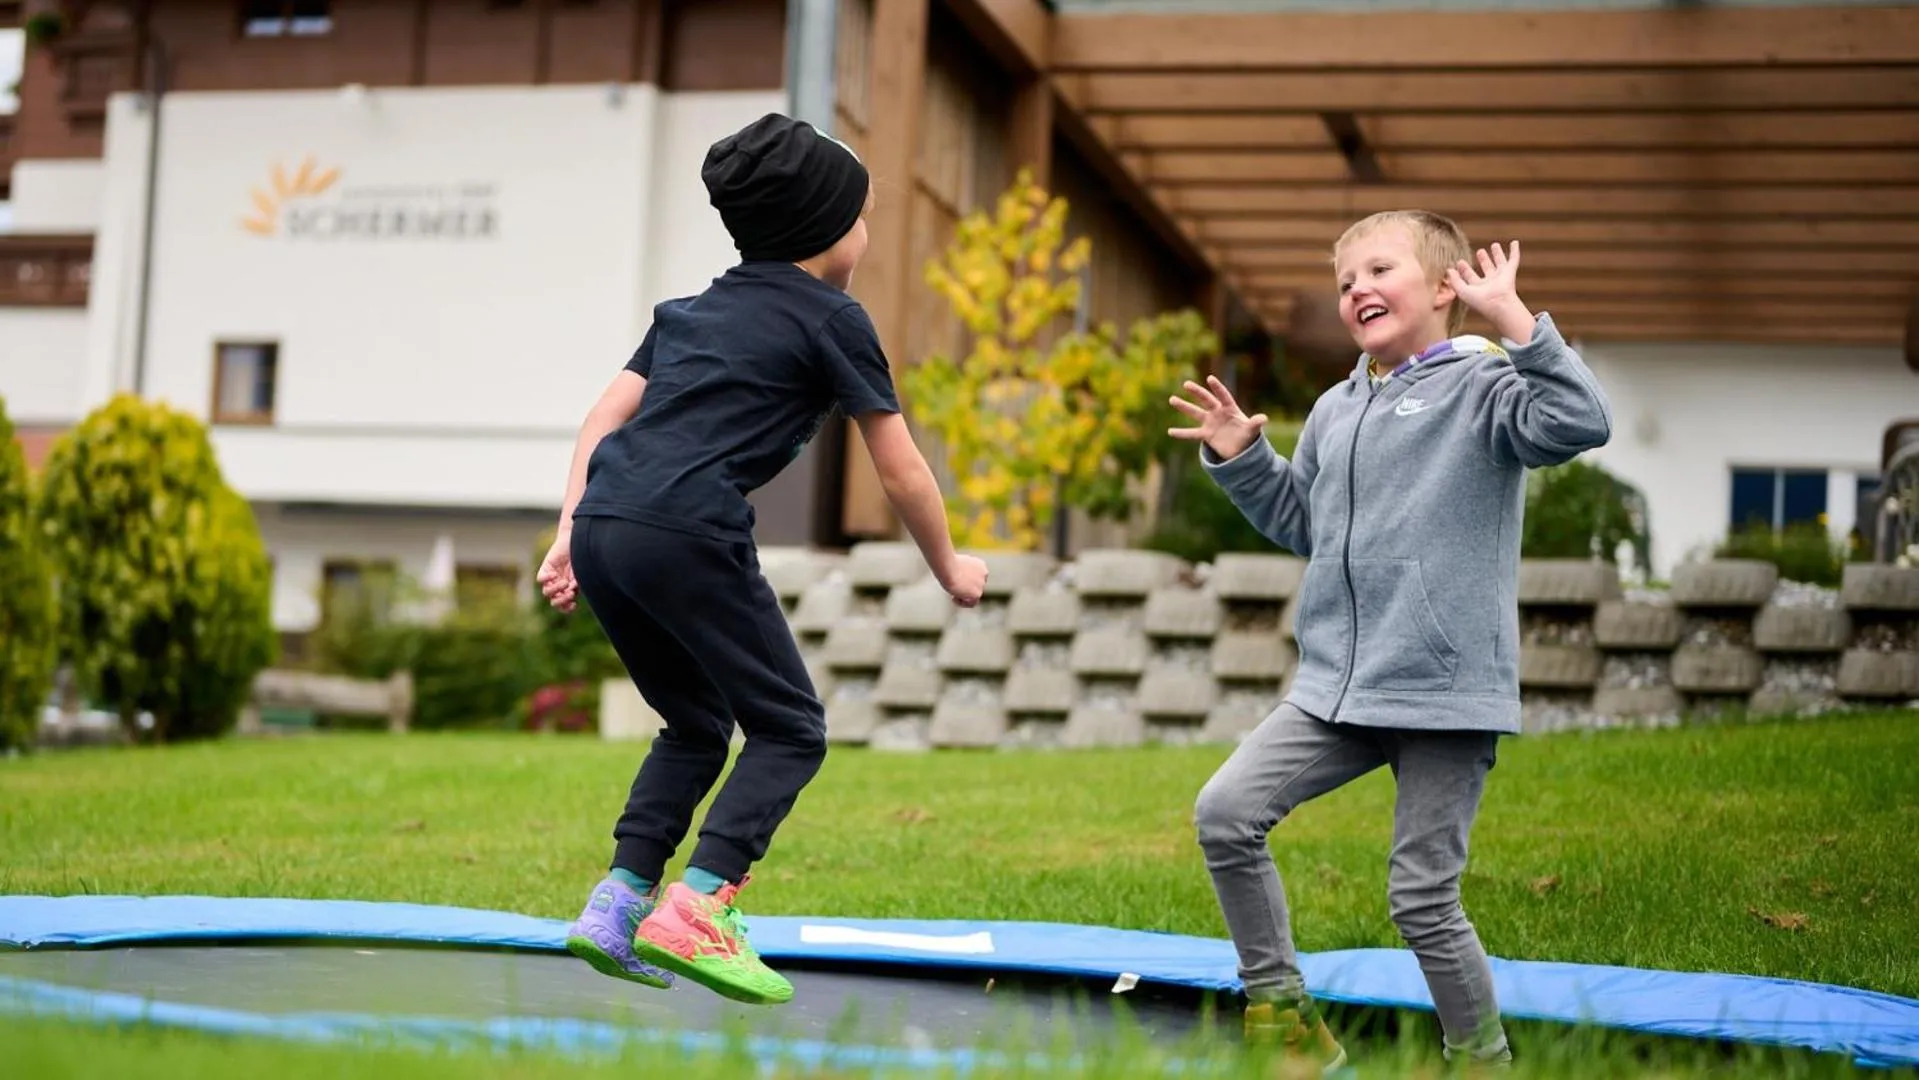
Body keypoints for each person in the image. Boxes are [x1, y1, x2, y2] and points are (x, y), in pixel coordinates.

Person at [535, 113, 988, 1006]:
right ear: (828, 230)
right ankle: (698, 905)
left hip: (608, 525)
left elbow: (601, 420)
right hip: (686, 530)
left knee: (695, 725)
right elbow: (898, 465)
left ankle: (617, 903)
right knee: (789, 728)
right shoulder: (834, 320)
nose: (867, 229)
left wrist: (566, 531)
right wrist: (948, 566)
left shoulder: (687, 311)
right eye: (861, 214)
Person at [1169, 211, 1612, 1074]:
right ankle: (1284, 1015)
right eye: (1343, 282)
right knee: (1225, 815)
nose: (1356, 289)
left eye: (1378, 269)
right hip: (1337, 689)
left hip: (1444, 690)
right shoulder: (1338, 408)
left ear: (1445, 287)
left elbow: (1580, 421)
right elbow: (1305, 523)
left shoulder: (1485, 387)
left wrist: (1517, 324)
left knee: (1420, 899)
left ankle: (1480, 1057)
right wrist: (1241, 460)